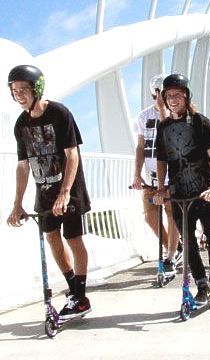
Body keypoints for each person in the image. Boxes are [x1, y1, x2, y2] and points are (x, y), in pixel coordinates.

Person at [6, 65, 91, 319]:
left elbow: (72, 154)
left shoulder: (59, 112)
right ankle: (75, 289)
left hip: (69, 188)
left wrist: (65, 192)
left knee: (73, 239)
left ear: (36, 88)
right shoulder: (21, 124)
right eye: (14, 91)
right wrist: (17, 203)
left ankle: (80, 295)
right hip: (43, 191)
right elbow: (23, 166)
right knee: (52, 238)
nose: (19, 95)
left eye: (23, 90)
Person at [154, 73, 210, 304]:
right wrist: (162, 188)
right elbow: (162, 160)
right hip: (179, 194)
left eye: (177, 95)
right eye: (168, 96)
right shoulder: (163, 127)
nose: (172, 99)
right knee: (189, 242)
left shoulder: (201, 122)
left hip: (205, 191)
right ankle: (201, 285)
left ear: (186, 96)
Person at [132, 74, 181, 275]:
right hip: (150, 175)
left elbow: (170, 133)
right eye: (158, 93)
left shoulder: (175, 114)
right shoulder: (143, 116)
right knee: (150, 216)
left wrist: (163, 110)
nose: (160, 97)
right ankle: (176, 246)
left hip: (171, 175)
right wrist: (136, 173)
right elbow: (141, 146)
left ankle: (170, 255)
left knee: (171, 213)